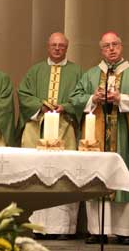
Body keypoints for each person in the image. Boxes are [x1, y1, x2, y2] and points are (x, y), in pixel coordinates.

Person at [69, 32, 129, 245]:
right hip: (96, 137)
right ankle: (97, 230)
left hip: (125, 136)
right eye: (106, 46)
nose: (111, 49)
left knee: (123, 177)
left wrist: (121, 98)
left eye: (115, 44)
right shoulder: (90, 75)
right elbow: (76, 99)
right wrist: (92, 98)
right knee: (98, 178)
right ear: (101, 49)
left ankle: (126, 231)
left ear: (121, 47)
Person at [18, 33, 82, 240]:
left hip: (65, 128)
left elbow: (82, 97)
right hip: (37, 128)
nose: (57, 49)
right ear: (47, 46)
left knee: (63, 175)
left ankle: (63, 228)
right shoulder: (35, 70)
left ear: (67, 47)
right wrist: (40, 106)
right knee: (37, 175)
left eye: (61, 46)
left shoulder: (76, 71)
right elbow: (23, 94)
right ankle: (37, 225)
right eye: (54, 45)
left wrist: (67, 107)